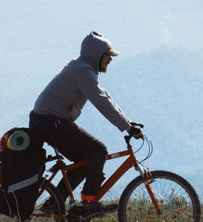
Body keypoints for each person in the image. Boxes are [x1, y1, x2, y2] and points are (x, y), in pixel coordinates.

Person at [29, 32, 144, 210]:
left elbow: (105, 96)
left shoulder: (82, 68)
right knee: (98, 151)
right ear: (97, 56)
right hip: (51, 122)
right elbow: (102, 103)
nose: (110, 59)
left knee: (85, 160)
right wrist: (127, 128)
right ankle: (89, 202)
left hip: (46, 121)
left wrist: (127, 123)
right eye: (107, 55)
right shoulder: (83, 72)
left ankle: (54, 204)